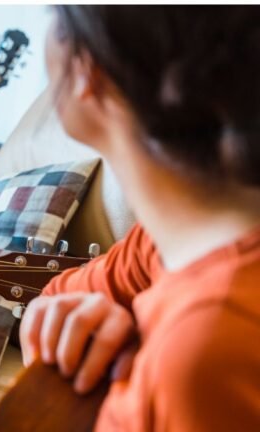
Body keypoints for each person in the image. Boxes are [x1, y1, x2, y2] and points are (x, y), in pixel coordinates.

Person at [20, 5, 260, 431]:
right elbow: (53, 299)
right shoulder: (156, 247)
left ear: (87, 72)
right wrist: (121, 330)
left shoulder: (210, 351)